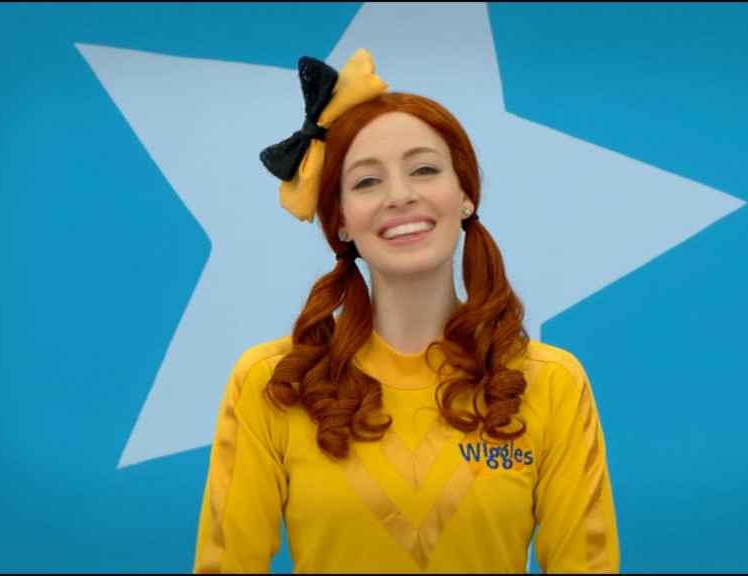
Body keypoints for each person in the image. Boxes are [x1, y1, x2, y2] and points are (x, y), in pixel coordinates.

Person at [193, 48, 619, 574]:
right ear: (340, 220)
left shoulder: (551, 383)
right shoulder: (273, 383)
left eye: (423, 169)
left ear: (465, 195)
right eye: (367, 181)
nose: (400, 196)